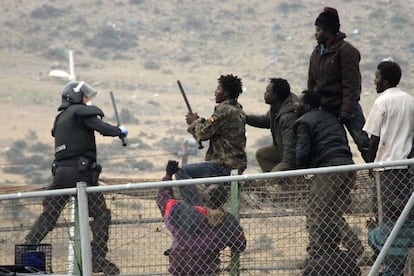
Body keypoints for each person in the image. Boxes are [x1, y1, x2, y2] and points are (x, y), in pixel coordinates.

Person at [24, 81, 128, 275]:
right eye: (85, 96)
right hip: (81, 175)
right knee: (101, 214)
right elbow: (102, 128)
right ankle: (97, 258)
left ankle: (26, 249)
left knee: (49, 215)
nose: (87, 100)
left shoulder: (61, 118)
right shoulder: (80, 112)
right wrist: (118, 131)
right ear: (77, 97)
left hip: (60, 174)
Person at [294, 90, 364, 266]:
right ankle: (354, 247)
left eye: (299, 102)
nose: (295, 105)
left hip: (329, 168)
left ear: (307, 105)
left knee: (315, 209)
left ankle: (316, 253)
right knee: (331, 212)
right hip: (348, 165)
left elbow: (302, 153)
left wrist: (298, 174)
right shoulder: (331, 117)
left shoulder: (304, 122)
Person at [363, 61, 414, 274]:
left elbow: (374, 138)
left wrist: (370, 163)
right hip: (407, 168)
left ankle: (386, 261)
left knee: (385, 218)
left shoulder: (382, 101)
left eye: (376, 77)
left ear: (384, 80)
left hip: (386, 169)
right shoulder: (410, 101)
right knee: (405, 218)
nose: (374, 81)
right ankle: (403, 262)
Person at [158, 160, 247, 275]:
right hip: (207, 270)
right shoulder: (228, 222)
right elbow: (240, 245)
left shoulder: (182, 212)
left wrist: (168, 176)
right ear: (224, 200)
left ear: (203, 199)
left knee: (182, 173)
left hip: (180, 268)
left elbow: (163, 199)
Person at [308, 6, 370, 162]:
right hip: (326, 108)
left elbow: (352, 84)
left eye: (319, 29)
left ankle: (377, 171)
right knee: (331, 146)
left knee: (362, 141)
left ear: (328, 30)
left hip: (345, 106)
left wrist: (346, 110)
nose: (316, 33)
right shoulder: (316, 53)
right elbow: (312, 83)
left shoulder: (346, 50)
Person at [176, 74, 247, 205]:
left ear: (226, 93)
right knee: (211, 196)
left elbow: (203, 134)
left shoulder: (224, 110)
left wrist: (194, 122)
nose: (215, 92)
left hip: (223, 165)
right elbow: (212, 128)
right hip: (234, 164)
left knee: (182, 172)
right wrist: (198, 121)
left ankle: (196, 210)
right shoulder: (237, 109)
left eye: (218, 88)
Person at [245, 78, 297, 172]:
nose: (265, 94)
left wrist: (278, 172)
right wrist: (245, 118)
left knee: (272, 176)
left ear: (276, 95)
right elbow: (265, 121)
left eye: (268, 91)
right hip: (281, 149)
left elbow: (290, 147)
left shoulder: (289, 116)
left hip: (293, 156)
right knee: (263, 154)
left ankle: (278, 183)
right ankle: (279, 183)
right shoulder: (276, 108)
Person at [367, 200, 414, 276]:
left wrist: (371, 229)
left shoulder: (380, 232)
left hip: (390, 271)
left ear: (388, 213)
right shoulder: (411, 229)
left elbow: (371, 240)